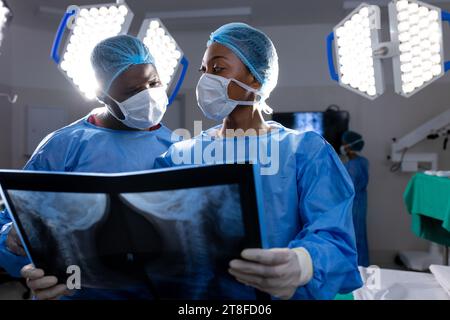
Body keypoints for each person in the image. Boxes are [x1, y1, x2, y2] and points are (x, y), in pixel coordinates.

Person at [156, 23, 362, 300]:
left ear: (256, 79)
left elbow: (334, 237)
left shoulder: (304, 151)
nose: (206, 80)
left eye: (218, 69)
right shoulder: (180, 155)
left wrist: (301, 263)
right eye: (203, 71)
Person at [0, 35, 174, 299]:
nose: (148, 95)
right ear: (101, 95)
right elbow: (12, 227)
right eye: (132, 91)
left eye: (153, 83)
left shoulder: (174, 145)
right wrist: (13, 243)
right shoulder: (63, 146)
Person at [341, 131, 370, 267]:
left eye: (345, 144)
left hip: (353, 205)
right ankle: (361, 266)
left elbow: (345, 187)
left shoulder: (351, 167)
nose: (343, 146)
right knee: (359, 236)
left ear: (349, 146)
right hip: (361, 202)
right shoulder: (363, 162)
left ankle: (356, 269)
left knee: (353, 237)